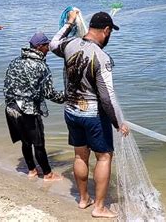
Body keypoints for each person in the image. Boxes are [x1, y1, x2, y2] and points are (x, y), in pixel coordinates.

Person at [50, 11, 129, 218]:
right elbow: (106, 97)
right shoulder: (102, 58)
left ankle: (84, 199)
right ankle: (99, 207)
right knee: (104, 157)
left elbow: (52, 43)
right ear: (106, 30)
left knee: (80, 155)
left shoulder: (69, 45)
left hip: (71, 111)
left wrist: (69, 23)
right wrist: (118, 122)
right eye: (110, 32)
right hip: (93, 114)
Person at [3, 32, 64, 181]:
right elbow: (50, 94)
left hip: (11, 108)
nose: (48, 49)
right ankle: (48, 174)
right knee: (38, 143)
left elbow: (7, 85)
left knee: (25, 142)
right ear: (39, 47)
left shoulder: (15, 61)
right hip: (27, 110)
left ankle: (31, 170)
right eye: (46, 46)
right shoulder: (41, 66)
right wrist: (67, 97)